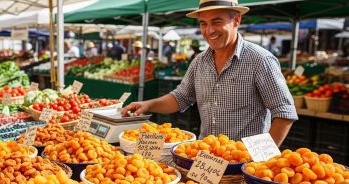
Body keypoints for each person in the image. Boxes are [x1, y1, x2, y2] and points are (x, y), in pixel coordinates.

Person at [121, 0, 298, 146]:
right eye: (203, 24)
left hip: (241, 162)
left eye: (217, 22)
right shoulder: (200, 61)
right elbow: (181, 97)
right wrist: (148, 105)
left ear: (236, 20)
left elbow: (284, 112)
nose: (209, 30)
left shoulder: (260, 60)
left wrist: (259, 158)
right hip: (206, 159)